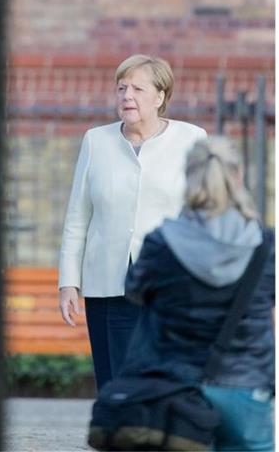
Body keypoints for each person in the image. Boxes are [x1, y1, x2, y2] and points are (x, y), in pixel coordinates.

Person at [57, 54, 207, 389]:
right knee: (113, 375)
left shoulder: (192, 139)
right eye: (121, 88)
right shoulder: (96, 141)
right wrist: (68, 281)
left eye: (138, 89)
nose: (127, 96)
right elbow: (77, 217)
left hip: (167, 281)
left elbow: (202, 215)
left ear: (160, 97)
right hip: (107, 280)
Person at [119, 136, 274, 451]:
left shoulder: (162, 244)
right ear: (238, 176)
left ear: (188, 176)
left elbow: (134, 291)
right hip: (248, 386)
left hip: (176, 388)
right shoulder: (267, 246)